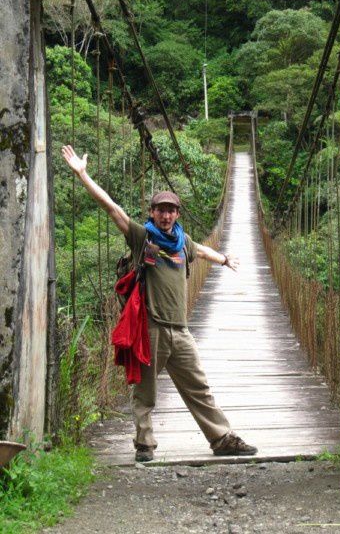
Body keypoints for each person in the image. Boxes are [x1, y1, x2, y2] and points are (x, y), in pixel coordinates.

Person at [62, 145, 257, 461]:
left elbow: (202, 251)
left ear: (177, 214)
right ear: (152, 213)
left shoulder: (182, 242)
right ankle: (145, 445)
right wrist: (83, 175)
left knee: (199, 387)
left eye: (171, 210)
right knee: (145, 392)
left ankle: (221, 439)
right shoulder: (143, 238)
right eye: (160, 210)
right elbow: (112, 209)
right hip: (150, 327)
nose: (166, 215)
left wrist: (223, 259)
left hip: (180, 331)